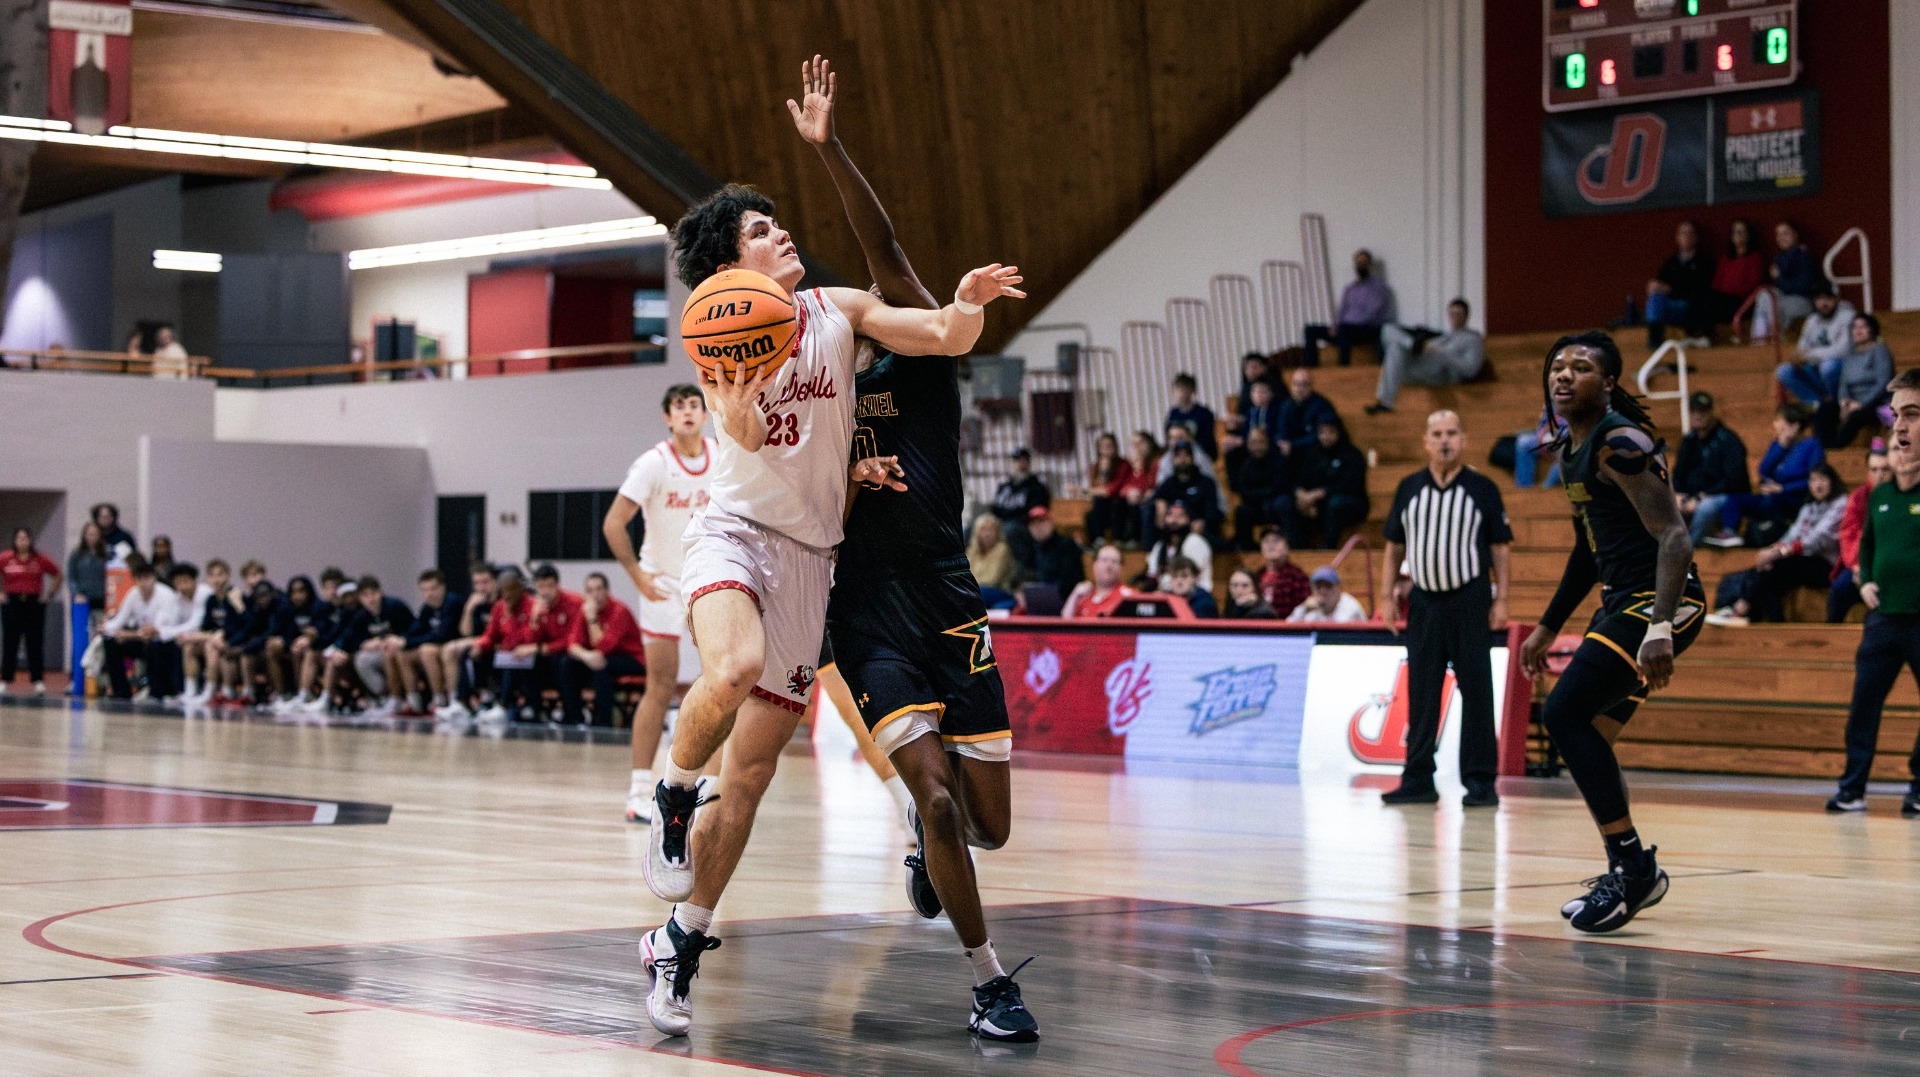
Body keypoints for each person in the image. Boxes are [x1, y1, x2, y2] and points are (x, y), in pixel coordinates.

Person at [637, 159, 1024, 1041]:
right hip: (733, 532)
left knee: (755, 777)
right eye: (762, 230)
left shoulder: (835, 311)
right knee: (729, 666)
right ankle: (669, 789)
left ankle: (679, 936)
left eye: (777, 222)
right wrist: (733, 415)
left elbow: (939, 335)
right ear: (732, 272)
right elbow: (739, 428)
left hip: (814, 560)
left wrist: (963, 304)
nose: (782, 232)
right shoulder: (719, 338)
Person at [1519, 331, 1707, 932]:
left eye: (1581, 367)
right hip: (1623, 602)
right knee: (1588, 733)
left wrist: (1658, 627)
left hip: (1664, 601)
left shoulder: (1618, 442)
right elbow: (1587, 547)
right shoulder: (1570, 446)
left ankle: (1632, 869)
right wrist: (1549, 625)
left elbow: (1675, 536)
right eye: (1557, 366)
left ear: (1608, 384)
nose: (1564, 375)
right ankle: (1627, 869)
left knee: (1565, 715)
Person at [1379, 410, 1512, 808]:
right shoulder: (1408, 488)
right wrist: (1386, 596)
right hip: (1423, 603)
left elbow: (1500, 549)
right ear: (1425, 441)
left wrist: (1501, 598)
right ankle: (1418, 779)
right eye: (1436, 434)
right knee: (1421, 693)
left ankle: (1480, 781)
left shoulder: (1483, 488)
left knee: (1476, 691)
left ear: (1464, 439)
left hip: (1469, 600)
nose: (1444, 441)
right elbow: (1393, 548)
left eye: (1452, 432)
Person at [603, 385, 718, 820]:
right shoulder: (654, 463)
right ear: (667, 418)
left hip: (707, 578)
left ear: (705, 415)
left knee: (721, 682)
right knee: (661, 684)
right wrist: (636, 574)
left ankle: (704, 783)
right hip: (663, 584)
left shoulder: (722, 455)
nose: (687, 412)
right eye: (678, 407)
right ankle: (637, 791)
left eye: (694, 405)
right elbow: (614, 523)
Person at [1829, 369, 1920, 815]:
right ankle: (1852, 789)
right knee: (1863, 705)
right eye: (1895, 416)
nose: (1899, 427)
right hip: (1884, 619)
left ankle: (1919, 789)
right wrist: (1864, 579)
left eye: (1912, 414)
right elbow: (1864, 545)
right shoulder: (1881, 498)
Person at [1707, 465, 1847, 626]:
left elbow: (1817, 539)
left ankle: (1740, 610)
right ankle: (1775, 625)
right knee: (1766, 573)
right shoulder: (1809, 507)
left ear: (1832, 482)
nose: (1818, 485)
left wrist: (1778, 553)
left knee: (1773, 565)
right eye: (1813, 480)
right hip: (1801, 560)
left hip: (1827, 564)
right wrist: (1772, 549)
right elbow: (1792, 535)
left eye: (1822, 479)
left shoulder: (1840, 504)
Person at [1703, 403, 1824, 547]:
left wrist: (1784, 489)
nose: (1776, 424)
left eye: (1780, 421)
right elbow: (1764, 470)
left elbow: (1814, 479)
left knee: (1772, 503)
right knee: (1736, 499)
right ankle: (1730, 532)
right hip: (1771, 495)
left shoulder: (1811, 446)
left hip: (1793, 497)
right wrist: (1781, 446)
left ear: (1794, 426)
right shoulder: (1779, 444)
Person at [1366, 298, 1485, 414]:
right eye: (1452, 314)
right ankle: (1385, 403)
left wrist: (1443, 355)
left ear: (1466, 316)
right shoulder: (1443, 336)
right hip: (1421, 367)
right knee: (1389, 334)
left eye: (1458, 314)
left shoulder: (1473, 339)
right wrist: (1423, 347)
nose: (1454, 317)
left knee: (1396, 347)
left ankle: (1412, 346)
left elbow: (1471, 369)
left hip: (1442, 373)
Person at [557, 572, 646, 727]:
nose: (595, 594)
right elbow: (571, 644)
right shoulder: (584, 610)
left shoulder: (619, 611)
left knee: (602, 665)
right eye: (590, 590)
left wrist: (591, 618)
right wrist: (586, 656)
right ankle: (575, 719)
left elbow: (602, 646)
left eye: (599, 589)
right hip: (600, 657)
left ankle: (603, 723)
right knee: (567, 663)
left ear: (607, 591)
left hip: (632, 659)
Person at [327, 576, 415, 715]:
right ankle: (381, 696)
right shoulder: (361, 615)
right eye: (365, 596)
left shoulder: (396, 607)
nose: (370, 599)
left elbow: (414, 627)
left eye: (373, 593)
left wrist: (400, 639)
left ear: (380, 592)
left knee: (389, 654)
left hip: (403, 649)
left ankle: (398, 698)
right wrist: (362, 644)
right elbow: (350, 637)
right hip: (380, 652)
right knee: (361, 659)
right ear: (360, 599)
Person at [1673, 391, 1750, 545]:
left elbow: (1734, 479)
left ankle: (1691, 547)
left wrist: (1702, 496)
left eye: (1702, 411)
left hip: (1722, 495)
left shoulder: (1728, 439)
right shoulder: (1689, 441)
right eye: (1693, 412)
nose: (1697, 416)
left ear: (1711, 413)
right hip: (1692, 495)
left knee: (1705, 508)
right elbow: (1678, 473)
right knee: (1668, 502)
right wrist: (1678, 494)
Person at [99, 560, 184, 700]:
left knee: (154, 645)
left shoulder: (166, 595)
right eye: (139, 579)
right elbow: (119, 620)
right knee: (110, 642)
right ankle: (121, 691)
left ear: (154, 578)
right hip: (142, 639)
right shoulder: (133, 594)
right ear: (135, 580)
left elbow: (156, 630)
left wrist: (129, 634)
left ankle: (155, 692)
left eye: (147, 578)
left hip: (166, 642)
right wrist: (105, 627)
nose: (143, 583)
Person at [1282, 416, 1369, 550]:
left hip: (1349, 503)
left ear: (1338, 433)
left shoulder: (1352, 455)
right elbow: (1299, 479)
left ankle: (1328, 546)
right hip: (1315, 502)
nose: (1326, 436)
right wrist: (1301, 494)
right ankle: (1298, 547)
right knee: (1286, 503)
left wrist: (1320, 493)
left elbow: (1351, 485)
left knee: (1335, 504)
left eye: (1330, 432)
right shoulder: (1313, 454)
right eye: (1322, 432)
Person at [1828, 444, 1890, 623]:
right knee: (1839, 589)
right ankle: (1831, 639)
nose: (1879, 474)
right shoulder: (1859, 496)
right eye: (1874, 469)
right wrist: (1856, 566)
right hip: (1859, 563)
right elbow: (1848, 533)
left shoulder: (1904, 496)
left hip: (1887, 564)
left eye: (1885, 469)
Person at [0, 528, 63, 695]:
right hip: (12, 603)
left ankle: (38, 681)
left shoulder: (40, 559)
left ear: (30, 540)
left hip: (33, 603)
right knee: (10, 641)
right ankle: (5, 679)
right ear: (14, 540)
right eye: (19, 538)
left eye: (25, 538)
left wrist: (49, 594)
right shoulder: (6, 558)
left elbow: (57, 574)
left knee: (34, 642)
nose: (22, 541)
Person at [1304, 248, 1393, 366]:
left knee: (1345, 330)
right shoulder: (1350, 288)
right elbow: (1341, 310)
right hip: (1344, 329)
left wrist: (1347, 325)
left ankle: (1343, 368)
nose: (1360, 265)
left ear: (1369, 265)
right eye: (1358, 263)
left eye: (1364, 262)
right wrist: (1336, 326)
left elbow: (1374, 313)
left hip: (1366, 330)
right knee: (1310, 330)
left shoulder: (1378, 288)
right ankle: (1311, 367)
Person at [1820, 314, 1895, 449]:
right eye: (1854, 327)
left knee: (1857, 416)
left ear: (1872, 329)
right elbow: (1844, 382)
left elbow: (1884, 382)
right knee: (1826, 410)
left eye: (1863, 326)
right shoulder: (1850, 354)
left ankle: (1836, 448)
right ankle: (1822, 447)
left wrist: (1861, 403)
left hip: (1876, 402)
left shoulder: (1880, 350)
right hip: (1852, 402)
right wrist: (1844, 401)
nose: (1858, 330)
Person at [433, 562, 497, 721]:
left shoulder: (501, 602)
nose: (481, 587)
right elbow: (465, 632)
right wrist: (469, 609)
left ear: (495, 581)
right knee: (453, 649)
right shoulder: (475, 602)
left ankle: (465, 701)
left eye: (485, 582)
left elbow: (497, 634)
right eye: (477, 583)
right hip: (480, 642)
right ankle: (456, 701)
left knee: (460, 650)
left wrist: (475, 642)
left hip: (497, 643)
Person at [393, 569, 461, 714]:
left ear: (443, 587)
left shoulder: (452, 602)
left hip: (453, 643)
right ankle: (414, 703)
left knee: (426, 651)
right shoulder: (427, 608)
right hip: (438, 645)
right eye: (424, 590)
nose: (429, 594)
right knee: (402, 654)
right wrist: (400, 640)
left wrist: (407, 642)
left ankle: (440, 700)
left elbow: (442, 635)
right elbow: (415, 629)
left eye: (433, 589)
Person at [1775, 288, 1857, 404]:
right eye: (1819, 299)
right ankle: (1815, 404)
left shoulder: (1847, 316)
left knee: (1828, 366)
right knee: (1784, 371)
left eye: (1828, 299)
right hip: (1816, 371)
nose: (1823, 304)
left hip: (1843, 372)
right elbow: (1802, 348)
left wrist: (1809, 355)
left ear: (1836, 299)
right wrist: (1801, 358)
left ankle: (1837, 403)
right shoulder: (1812, 320)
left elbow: (1842, 350)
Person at [474, 568, 536, 722]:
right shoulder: (500, 606)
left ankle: (502, 706)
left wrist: (510, 616)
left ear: (520, 589)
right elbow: (491, 634)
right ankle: (463, 702)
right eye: (504, 591)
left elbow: (528, 638)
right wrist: (480, 645)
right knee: (470, 654)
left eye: (511, 590)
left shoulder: (532, 605)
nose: (507, 595)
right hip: (506, 654)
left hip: (528, 656)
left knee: (512, 661)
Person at [1642, 220, 1714, 349]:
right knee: (1655, 299)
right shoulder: (1671, 263)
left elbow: (1701, 288)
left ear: (1696, 238)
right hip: (1671, 306)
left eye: (1689, 233)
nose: (1686, 236)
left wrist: (1671, 289)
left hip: (1691, 307)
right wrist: (1654, 286)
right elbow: (1660, 283)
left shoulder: (1703, 261)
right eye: (1682, 233)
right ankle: (1655, 340)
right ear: (1677, 237)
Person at [1751, 220, 1819, 340]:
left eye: (1785, 233)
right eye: (1778, 234)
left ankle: (1775, 338)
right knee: (1765, 294)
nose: (1781, 237)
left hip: (1801, 300)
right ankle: (1759, 338)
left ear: (1795, 235)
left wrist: (1779, 278)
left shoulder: (1804, 256)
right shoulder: (1779, 258)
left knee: (1775, 304)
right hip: (1784, 299)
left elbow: (1802, 287)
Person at [263, 575, 322, 710]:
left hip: (316, 646)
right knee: (272, 647)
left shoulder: (318, 607)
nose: (298, 596)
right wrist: (281, 640)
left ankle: (303, 693)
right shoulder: (287, 609)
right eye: (294, 592)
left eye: (301, 591)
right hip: (294, 643)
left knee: (301, 650)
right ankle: (282, 695)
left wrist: (310, 637)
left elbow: (323, 632)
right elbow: (284, 632)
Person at [1227, 426, 1289, 551]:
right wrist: (1259, 495)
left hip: (1274, 502)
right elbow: (1243, 490)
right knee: (1242, 511)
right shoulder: (1246, 465)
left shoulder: (1278, 460)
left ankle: (1290, 543)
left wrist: (1261, 494)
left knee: (1280, 504)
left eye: (1260, 442)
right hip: (1255, 505)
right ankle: (1247, 548)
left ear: (1267, 442)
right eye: (1253, 443)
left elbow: (1279, 485)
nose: (1257, 447)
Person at [989, 448, 1050, 560]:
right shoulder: (1004, 487)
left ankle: (1025, 567)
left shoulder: (1037, 487)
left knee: (1010, 529)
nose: (1020, 464)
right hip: (1003, 522)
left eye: (1023, 460)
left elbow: (1034, 511)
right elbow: (995, 508)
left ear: (1028, 463)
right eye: (1017, 461)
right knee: (974, 528)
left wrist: (1007, 514)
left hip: (1024, 524)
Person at [1152, 441, 1221, 537]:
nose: (1182, 459)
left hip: (1197, 529)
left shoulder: (1206, 482)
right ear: (1173, 460)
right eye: (1178, 456)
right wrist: (1160, 506)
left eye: (1186, 455)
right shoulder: (1168, 483)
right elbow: (1158, 497)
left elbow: (1212, 510)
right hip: (1172, 529)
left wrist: (1203, 522)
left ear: (1192, 458)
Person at [1707, 218, 1764, 333]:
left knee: (1714, 302)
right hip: (1723, 299)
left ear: (1748, 235)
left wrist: (1728, 293)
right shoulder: (1726, 259)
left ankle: (1707, 336)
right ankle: (1696, 336)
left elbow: (1753, 286)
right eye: (1735, 232)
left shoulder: (1754, 258)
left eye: (1741, 232)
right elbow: (1716, 284)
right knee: (1704, 298)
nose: (1737, 235)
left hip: (1742, 302)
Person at [1014, 506, 1084, 594]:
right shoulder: (1031, 548)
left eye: (1041, 522)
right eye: (1032, 524)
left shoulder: (1066, 545)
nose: (1037, 527)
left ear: (1051, 523)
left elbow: (1069, 581)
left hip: (1064, 597)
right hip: (1039, 596)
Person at [1275, 367, 1338, 461]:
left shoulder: (1321, 405)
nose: (1300, 388)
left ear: (1311, 386)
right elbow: (1281, 429)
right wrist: (1281, 442)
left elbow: (1321, 434)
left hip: (1313, 451)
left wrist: (1293, 445)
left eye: (1304, 384)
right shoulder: (1286, 405)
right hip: (1289, 450)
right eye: (1296, 384)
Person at [1083, 432, 1134, 546]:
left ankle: (1118, 540)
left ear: (1115, 447)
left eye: (1109, 446)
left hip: (1121, 502)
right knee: (1091, 513)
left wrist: (1082, 490)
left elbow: (1112, 490)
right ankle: (1097, 541)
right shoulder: (1097, 466)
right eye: (1103, 447)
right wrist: (1103, 472)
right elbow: (1097, 489)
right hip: (1104, 504)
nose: (1106, 450)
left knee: (1115, 504)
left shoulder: (1123, 464)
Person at [1145, 501, 1212, 586]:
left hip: (1194, 595)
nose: (1173, 520)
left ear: (1189, 520)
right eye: (1170, 515)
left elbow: (1188, 577)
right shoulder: (1160, 546)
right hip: (1167, 595)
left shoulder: (1195, 542)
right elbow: (1152, 574)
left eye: (1180, 516)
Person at [1063, 544, 1134, 618]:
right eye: (1104, 560)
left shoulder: (1129, 598)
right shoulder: (1083, 596)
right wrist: (1075, 595)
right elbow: (1065, 622)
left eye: (1114, 561)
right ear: (1094, 565)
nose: (1108, 566)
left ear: (1121, 568)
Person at [1115, 431, 1160, 547]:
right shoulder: (1132, 464)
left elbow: (1152, 484)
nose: (1137, 447)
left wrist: (1139, 492)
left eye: (1140, 443)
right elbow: (1122, 487)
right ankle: (1119, 540)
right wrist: (1136, 470)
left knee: (1141, 504)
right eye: (1134, 444)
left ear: (1149, 443)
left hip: (1152, 496)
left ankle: (1138, 541)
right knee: (1117, 503)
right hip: (1136, 498)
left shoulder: (1156, 461)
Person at [966, 514, 1020, 607]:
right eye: (983, 529)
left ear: (997, 532)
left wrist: (969, 586)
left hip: (999, 591)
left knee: (978, 592)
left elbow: (992, 579)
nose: (987, 534)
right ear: (976, 532)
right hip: (975, 590)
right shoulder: (971, 551)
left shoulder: (1002, 549)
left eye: (991, 529)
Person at [1257, 528, 1311, 617]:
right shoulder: (1257, 576)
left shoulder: (1297, 576)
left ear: (1287, 548)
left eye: (1276, 541)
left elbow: (1303, 607)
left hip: (1286, 627)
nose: (1270, 545)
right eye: (1266, 541)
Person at [1164, 372, 1217, 460]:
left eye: (1185, 389)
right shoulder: (1172, 414)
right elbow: (1168, 440)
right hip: (1176, 456)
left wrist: (1188, 438)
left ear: (1193, 391)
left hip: (1199, 456)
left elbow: (1208, 444)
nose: (1181, 393)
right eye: (1178, 389)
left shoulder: (1204, 414)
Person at [1287, 566, 1368, 623]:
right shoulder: (1311, 608)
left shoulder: (1349, 607)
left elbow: (1337, 636)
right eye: (1318, 586)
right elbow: (1288, 629)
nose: (1322, 591)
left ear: (1339, 589)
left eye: (1328, 586)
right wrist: (1304, 608)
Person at [67, 522, 110, 626]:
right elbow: (71, 576)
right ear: (84, 535)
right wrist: (77, 593)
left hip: (101, 598)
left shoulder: (106, 553)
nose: (92, 538)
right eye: (89, 534)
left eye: (95, 534)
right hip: (82, 598)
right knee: (81, 629)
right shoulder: (76, 553)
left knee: (101, 629)